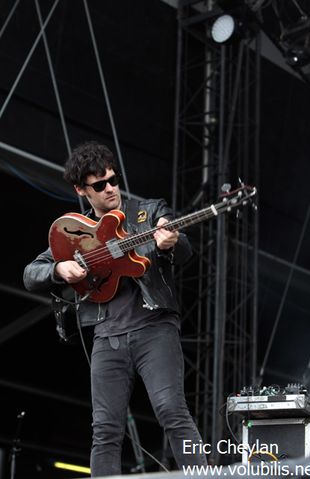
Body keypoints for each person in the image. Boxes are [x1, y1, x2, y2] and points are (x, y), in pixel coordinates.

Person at [23, 141, 208, 476]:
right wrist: (59, 270)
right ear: (81, 190)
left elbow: (184, 251)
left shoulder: (148, 211)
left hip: (154, 327)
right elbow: (30, 274)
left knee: (171, 410)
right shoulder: (77, 234)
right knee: (105, 430)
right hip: (108, 335)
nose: (110, 189)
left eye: (113, 180)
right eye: (99, 185)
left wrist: (173, 240)